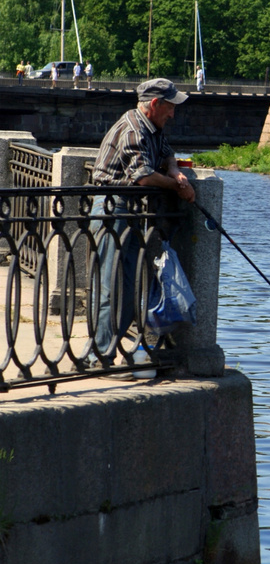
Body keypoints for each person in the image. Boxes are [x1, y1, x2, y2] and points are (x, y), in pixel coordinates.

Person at [90, 78, 196, 361]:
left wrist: (176, 172)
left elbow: (167, 154)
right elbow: (144, 176)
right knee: (108, 285)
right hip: (112, 210)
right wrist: (177, 187)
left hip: (130, 211)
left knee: (128, 284)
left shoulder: (153, 128)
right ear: (155, 104)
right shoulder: (133, 129)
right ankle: (97, 355)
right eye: (170, 107)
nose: (173, 114)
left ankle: (111, 349)